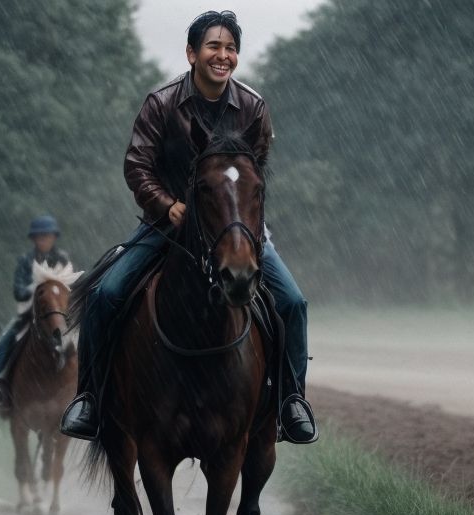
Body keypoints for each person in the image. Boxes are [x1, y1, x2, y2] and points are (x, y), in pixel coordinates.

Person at [58, 10, 318, 443]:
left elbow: (255, 175)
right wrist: (168, 206)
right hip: (167, 228)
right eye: (213, 46)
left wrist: (244, 223)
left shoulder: (253, 108)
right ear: (192, 53)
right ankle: (89, 399)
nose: (223, 55)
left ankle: (291, 401)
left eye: (231, 48)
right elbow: (137, 165)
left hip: (234, 230)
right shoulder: (160, 103)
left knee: (293, 302)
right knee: (104, 296)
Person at [0, 214, 72, 413]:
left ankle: (85, 390)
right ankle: (0, 385)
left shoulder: (63, 259)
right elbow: (18, 291)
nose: (43, 240)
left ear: (54, 237)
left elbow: (70, 286)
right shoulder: (25, 261)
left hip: (58, 313)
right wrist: (36, 287)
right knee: (5, 341)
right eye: (39, 237)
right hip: (30, 313)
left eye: (47, 236)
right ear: (33, 239)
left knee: (80, 341)